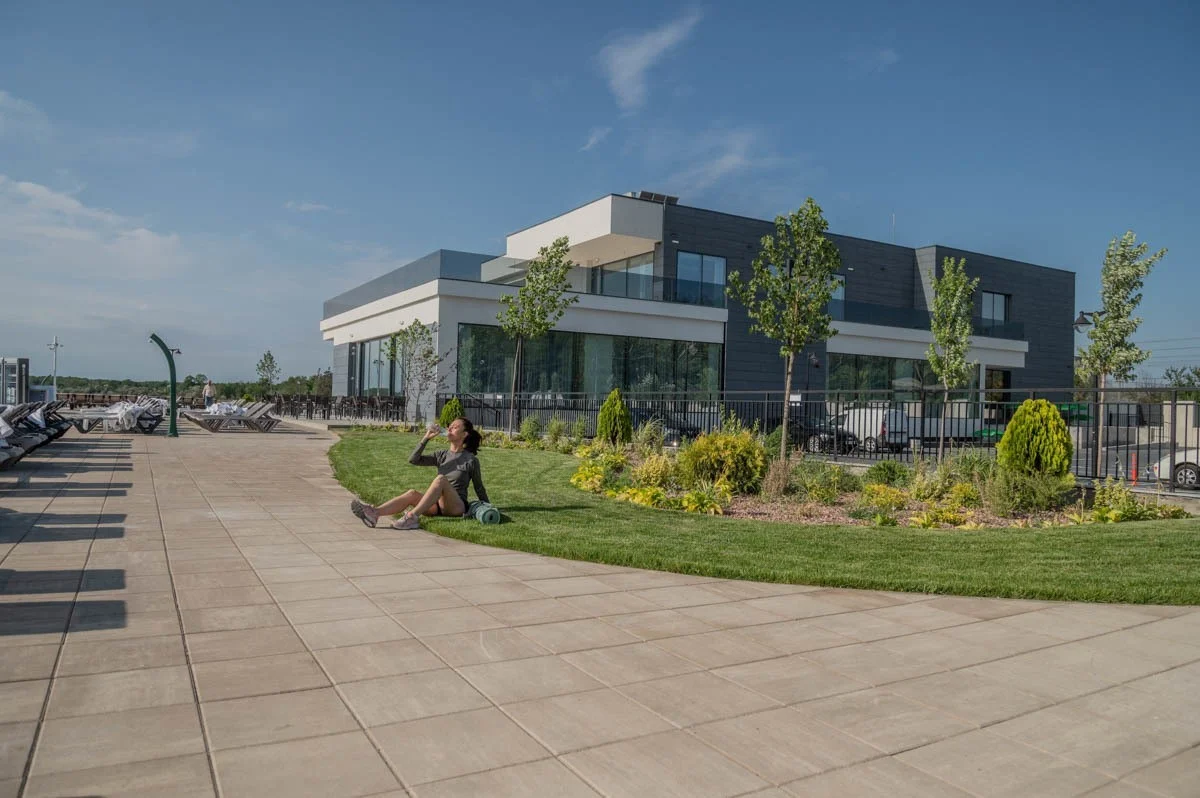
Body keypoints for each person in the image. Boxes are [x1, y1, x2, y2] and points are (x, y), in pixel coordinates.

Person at [350, 417, 488, 530]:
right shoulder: (442, 455)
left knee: (441, 479)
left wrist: (488, 507)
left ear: (464, 434)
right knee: (412, 493)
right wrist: (426, 438)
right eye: (450, 426)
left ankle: (411, 517)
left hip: (456, 507)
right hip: (437, 506)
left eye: (455, 427)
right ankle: (374, 513)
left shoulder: (470, 460)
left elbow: (479, 487)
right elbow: (414, 460)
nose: (450, 428)